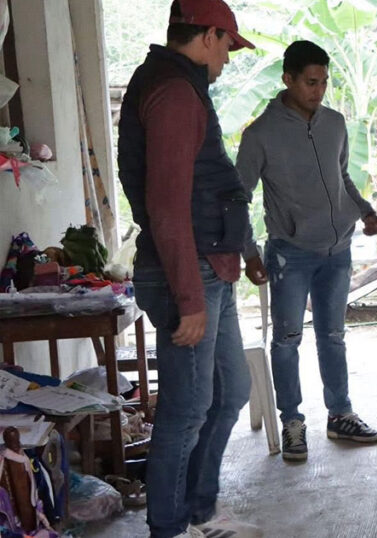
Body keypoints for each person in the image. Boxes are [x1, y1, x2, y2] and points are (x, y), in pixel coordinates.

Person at [118, 1, 264, 536]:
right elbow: (167, 206)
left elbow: (215, 183)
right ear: (208, 35)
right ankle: (170, 527)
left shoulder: (182, 86)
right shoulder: (175, 93)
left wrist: (245, 250)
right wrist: (189, 299)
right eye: (227, 45)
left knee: (229, 393)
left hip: (212, 265)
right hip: (189, 272)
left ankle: (200, 513)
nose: (227, 59)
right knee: (186, 409)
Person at [236, 40, 377, 463]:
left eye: (323, 82)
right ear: (288, 79)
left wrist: (365, 210)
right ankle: (292, 422)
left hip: (337, 250)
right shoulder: (260, 134)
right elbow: (237, 197)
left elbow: (341, 179)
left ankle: (340, 415)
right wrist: (249, 253)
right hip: (290, 253)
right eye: (309, 82)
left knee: (333, 336)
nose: (317, 91)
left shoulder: (335, 123)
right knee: (286, 340)